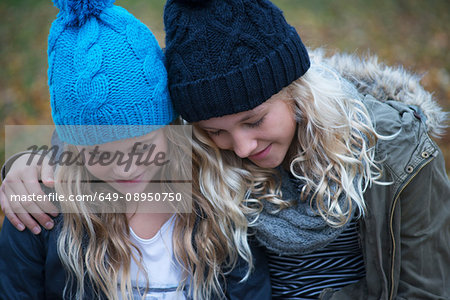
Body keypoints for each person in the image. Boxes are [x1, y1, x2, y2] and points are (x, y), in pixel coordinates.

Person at [2, 0, 449, 299]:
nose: (242, 147)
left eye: (254, 120)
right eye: (215, 131)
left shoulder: (396, 152)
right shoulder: (197, 163)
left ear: (298, 92)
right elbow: (98, 122)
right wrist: (27, 162)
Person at [0, 0, 271, 299]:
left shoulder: (218, 196)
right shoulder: (42, 216)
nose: (126, 166)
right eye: (100, 149)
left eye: (142, 144)